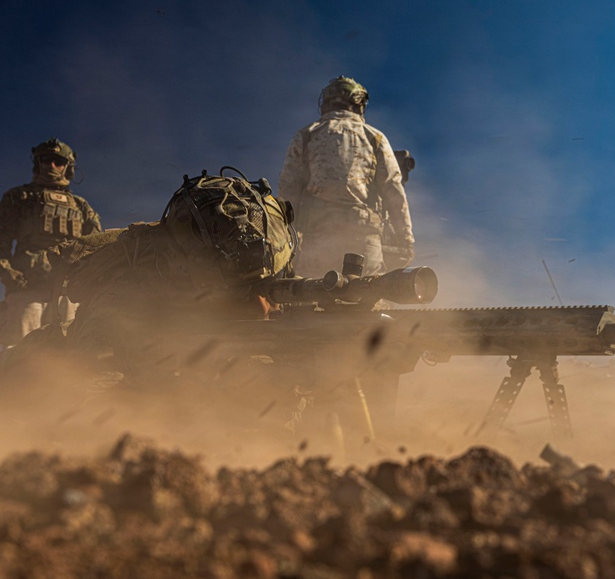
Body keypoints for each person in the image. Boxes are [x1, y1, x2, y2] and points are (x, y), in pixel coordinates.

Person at [62, 169, 297, 374]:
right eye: (242, 292)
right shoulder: (137, 286)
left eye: (263, 288)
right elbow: (94, 380)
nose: (262, 306)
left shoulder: (264, 255)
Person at [278, 76, 414, 278]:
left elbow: (288, 193)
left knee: (308, 304)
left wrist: (284, 244)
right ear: (359, 104)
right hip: (363, 241)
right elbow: (393, 191)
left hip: (317, 241)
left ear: (326, 104)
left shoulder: (306, 135)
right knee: (368, 304)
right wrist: (405, 241)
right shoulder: (374, 138)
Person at [0, 138, 102, 346]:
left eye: (58, 161)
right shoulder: (19, 197)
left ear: (68, 167)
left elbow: (97, 248)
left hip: (68, 292)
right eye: (46, 160)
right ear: (38, 163)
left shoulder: (82, 206)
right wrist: (10, 276)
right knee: (18, 351)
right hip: (27, 290)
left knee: (68, 353)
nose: (51, 166)